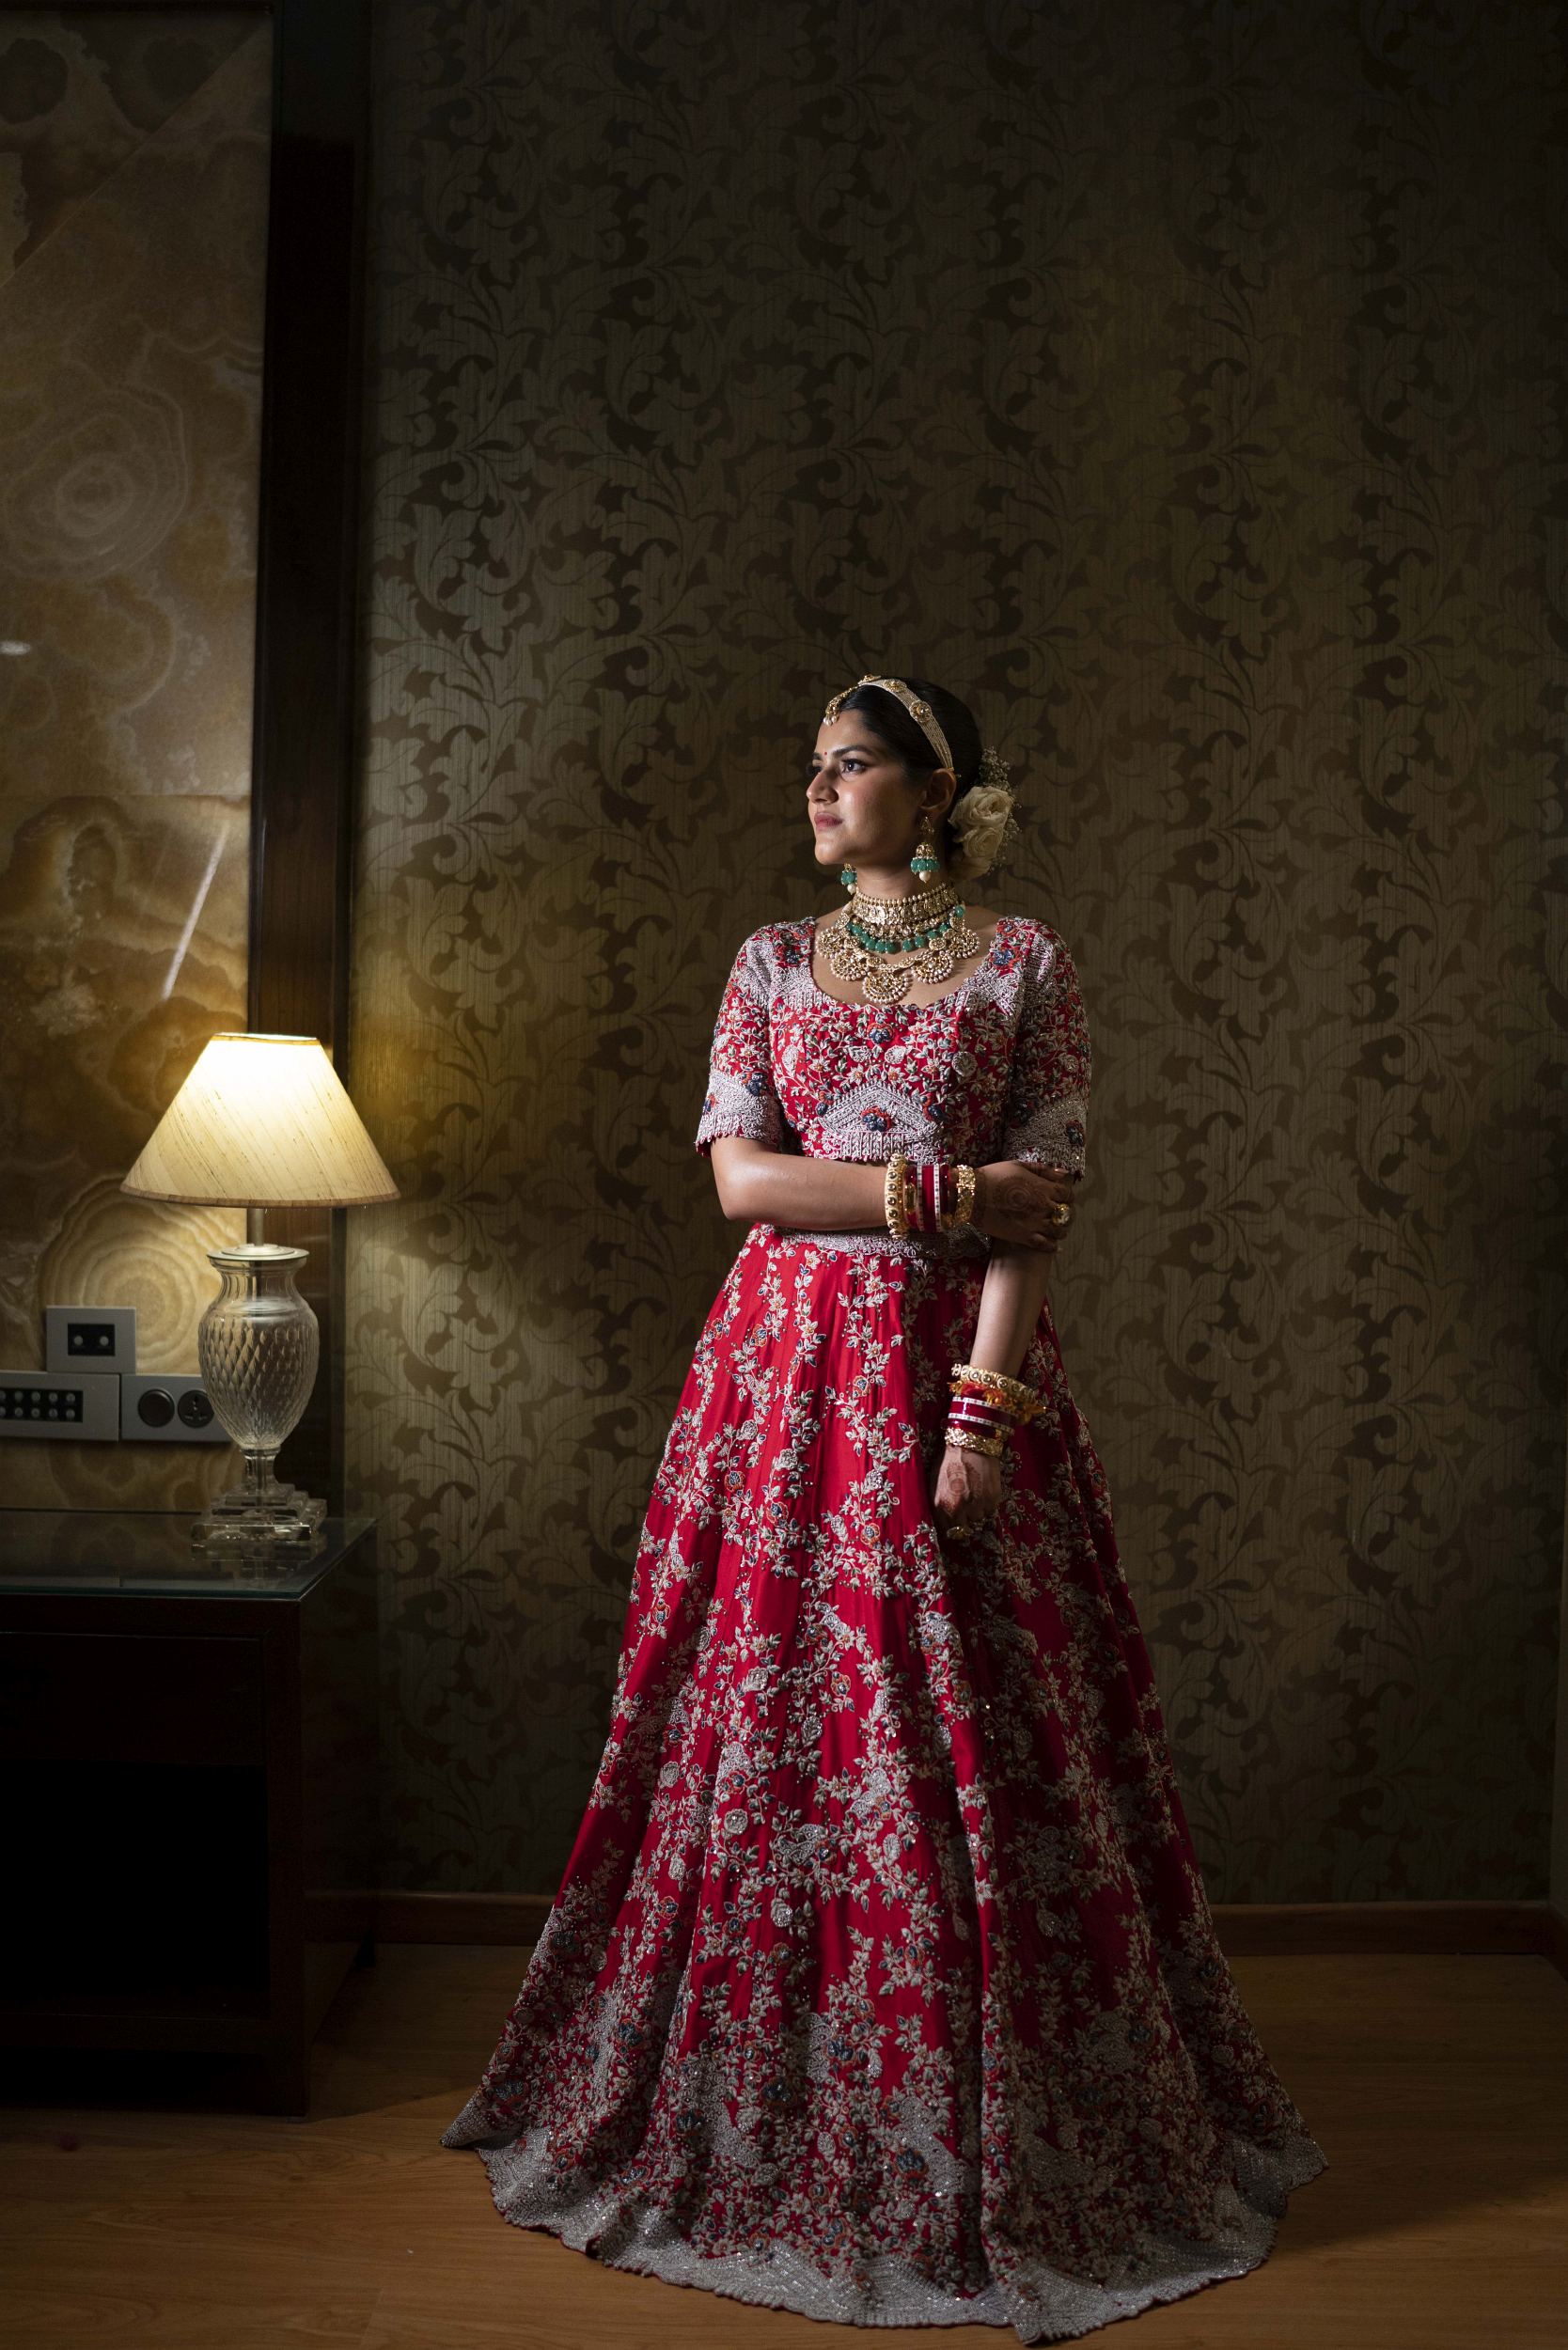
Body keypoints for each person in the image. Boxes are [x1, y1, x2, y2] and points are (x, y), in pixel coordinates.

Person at [440, 673, 1327, 2342]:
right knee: (771, 1717)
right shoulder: (772, 959)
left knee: (978, 1728)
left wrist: (982, 1416)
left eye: (851, 768)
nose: (818, 791)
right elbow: (744, 1181)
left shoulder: (1022, 964)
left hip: (951, 1362)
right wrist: (934, 1185)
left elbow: (1038, 1212)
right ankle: (764, 2096)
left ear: (937, 795)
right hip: (780, 1382)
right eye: (815, 770)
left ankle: (995, 2115)